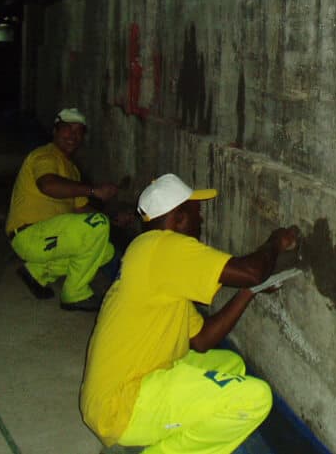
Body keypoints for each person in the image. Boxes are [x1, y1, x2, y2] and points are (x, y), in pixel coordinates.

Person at [80, 173, 299, 453]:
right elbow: (250, 271)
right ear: (179, 217)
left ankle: (157, 434)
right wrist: (275, 242)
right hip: (121, 406)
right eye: (198, 212)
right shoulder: (164, 246)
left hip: (115, 394)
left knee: (230, 366)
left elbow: (203, 340)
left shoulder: (149, 254)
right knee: (255, 398)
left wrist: (249, 292)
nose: (202, 220)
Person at [6, 107, 119, 311]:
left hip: (51, 238)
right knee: (98, 226)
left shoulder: (72, 170)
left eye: (79, 131)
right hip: (30, 234)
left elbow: (81, 210)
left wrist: (114, 218)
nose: (73, 136)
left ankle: (36, 271)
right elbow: (47, 185)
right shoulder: (45, 156)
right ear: (55, 131)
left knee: (105, 250)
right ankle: (74, 294)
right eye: (67, 129)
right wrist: (94, 190)